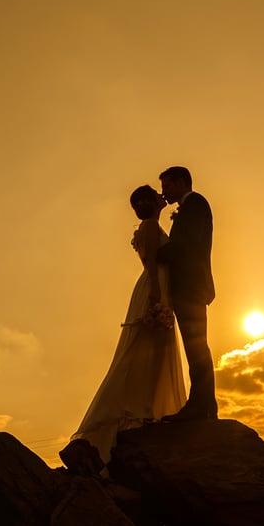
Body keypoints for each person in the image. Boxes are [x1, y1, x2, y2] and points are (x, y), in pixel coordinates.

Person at [68, 185, 187, 462]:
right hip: (155, 287)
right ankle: (139, 409)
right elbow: (151, 261)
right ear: (149, 203)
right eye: (156, 194)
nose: (162, 195)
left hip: (160, 287)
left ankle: (149, 409)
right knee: (142, 348)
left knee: (157, 350)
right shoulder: (148, 226)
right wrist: (156, 294)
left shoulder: (151, 225)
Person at [156, 166, 218, 421]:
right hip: (187, 286)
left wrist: (157, 253)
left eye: (167, 186)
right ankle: (203, 404)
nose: (164, 192)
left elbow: (186, 245)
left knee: (197, 346)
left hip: (191, 286)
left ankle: (201, 406)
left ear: (181, 182)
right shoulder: (190, 206)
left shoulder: (195, 204)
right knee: (195, 347)